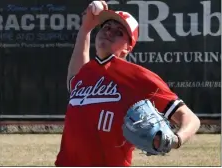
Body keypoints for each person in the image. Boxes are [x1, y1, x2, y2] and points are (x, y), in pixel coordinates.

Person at [55, 1, 200, 166]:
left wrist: (176, 139)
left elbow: (191, 119)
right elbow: (74, 76)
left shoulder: (137, 76)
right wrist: (86, 28)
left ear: (128, 48)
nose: (109, 33)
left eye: (119, 32)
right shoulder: (84, 74)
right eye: (106, 27)